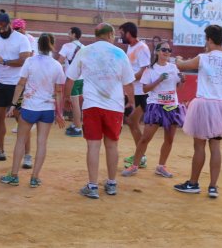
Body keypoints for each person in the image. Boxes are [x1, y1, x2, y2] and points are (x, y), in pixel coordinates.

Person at [65, 23, 135, 199]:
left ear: (96, 35)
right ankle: (111, 183)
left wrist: (67, 97)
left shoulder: (85, 51)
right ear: (111, 35)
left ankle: (93, 185)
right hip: (114, 106)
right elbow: (128, 83)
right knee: (112, 145)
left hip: (92, 105)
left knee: (93, 145)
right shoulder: (120, 53)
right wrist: (131, 101)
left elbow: (70, 78)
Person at [173, 24, 222, 198]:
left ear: (209, 39)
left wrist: (178, 59)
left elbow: (182, 65)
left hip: (204, 105)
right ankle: (213, 186)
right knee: (216, 146)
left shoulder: (203, 58)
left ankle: (194, 183)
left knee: (199, 146)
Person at [0, 33, 65, 188]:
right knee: (42, 143)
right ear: (52, 45)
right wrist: (59, 113)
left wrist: (14, 105)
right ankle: (35, 178)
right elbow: (59, 92)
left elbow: (21, 84)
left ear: (38, 45)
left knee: (20, 141)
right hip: (47, 108)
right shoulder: (56, 65)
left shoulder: (30, 61)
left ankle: (14, 175)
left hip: (30, 106)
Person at [122, 41, 186, 178]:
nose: (167, 53)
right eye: (164, 50)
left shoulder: (174, 68)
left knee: (169, 139)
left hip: (171, 105)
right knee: (145, 138)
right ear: (157, 52)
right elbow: (145, 89)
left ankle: (161, 166)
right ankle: (135, 165)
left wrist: (182, 80)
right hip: (156, 105)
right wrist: (159, 80)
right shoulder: (150, 70)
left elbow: (178, 87)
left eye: (169, 50)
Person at [0, 10, 31, 162]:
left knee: (21, 119)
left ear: (9, 24)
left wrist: (4, 61)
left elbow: (24, 61)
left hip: (17, 84)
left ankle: (27, 155)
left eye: (3, 27)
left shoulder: (21, 39)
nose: (1, 30)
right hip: (0, 83)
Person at [118, 22, 151, 169]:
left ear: (128, 33)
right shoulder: (131, 47)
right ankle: (140, 155)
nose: (120, 36)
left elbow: (144, 71)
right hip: (133, 91)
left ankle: (141, 156)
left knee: (132, 122)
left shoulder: (142, 48)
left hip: (141, 93)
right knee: (132, 122)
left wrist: (128, 79)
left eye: (121, 33)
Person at [10, 18, 36, 168]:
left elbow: (28, 59)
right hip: (12, 83)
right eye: (17, 29)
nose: (19, 31)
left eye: (20, 28)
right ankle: (26, 155)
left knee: (23, 121)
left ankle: (27, 155)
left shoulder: (28, 39)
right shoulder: (15, 39)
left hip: (22, 83)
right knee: (18, 119)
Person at [57, 27, 85, 137]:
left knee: (75, 103)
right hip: (82, 78)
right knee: (77, 102)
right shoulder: (84, 47)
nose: (68, 35)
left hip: (72, 79)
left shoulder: (66, 46)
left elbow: (59, 62)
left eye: (69, 33)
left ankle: (78, 128)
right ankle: (76, 123)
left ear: (74, 35)